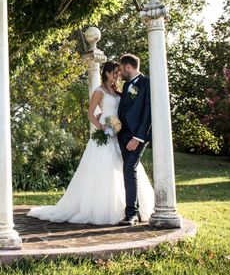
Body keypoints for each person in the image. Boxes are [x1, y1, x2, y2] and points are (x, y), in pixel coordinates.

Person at [27, 60, 154, 225]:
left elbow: (125, 111)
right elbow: (90, 113)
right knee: (105, 171)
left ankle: (130, 209)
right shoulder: (99, 91)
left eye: (119, 71)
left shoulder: (119, 91)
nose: (118, 75)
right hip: (105, 136)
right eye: (115, 72)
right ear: (107, 73)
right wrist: (101, 126)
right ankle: (104, 209)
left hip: (120, 137)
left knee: (126, 170)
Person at [117, 53, 153, 225]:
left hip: (136, 136)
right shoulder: (126, 86)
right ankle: (135, 211)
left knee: (129, 168)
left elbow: (147, 112)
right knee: (129, 171)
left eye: (121, 68)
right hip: (122, 135)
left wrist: (138, 138)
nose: (120, 71)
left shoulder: (146, 83)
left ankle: (131, 214)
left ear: (128, 67)